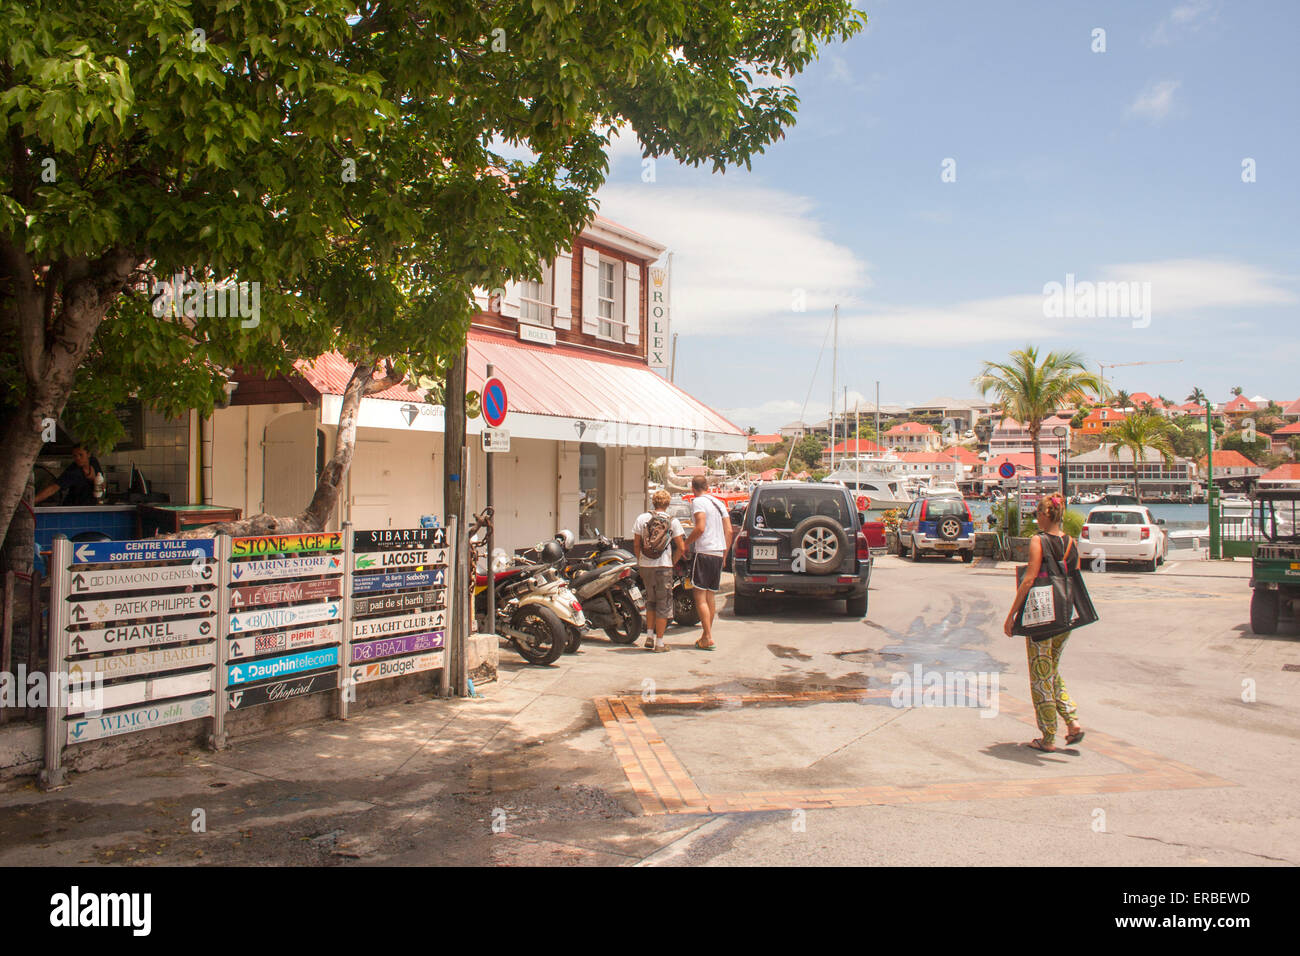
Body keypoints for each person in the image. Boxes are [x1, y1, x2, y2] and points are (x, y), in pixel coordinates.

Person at [1003, 493, 1084, 752]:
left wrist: (1012, 615)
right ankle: (1072, 720)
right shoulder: (1071, 542)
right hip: (1065, 614)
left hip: (1042, 614)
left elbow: (1029, 579)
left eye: (1038, 513)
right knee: (1051, 670)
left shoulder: (1038, 540)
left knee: (1040, 676)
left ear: (1044, 515)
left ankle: (1048, 736)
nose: (1036, 517)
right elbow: (1074, 576)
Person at [633, 489, 685, 653]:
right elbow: (681, 547)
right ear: (668, 504)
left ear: (653, 502)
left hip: (646, 566)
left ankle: (649, 636)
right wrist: (672, 561)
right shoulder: (672, 521)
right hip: (664, 566)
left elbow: (636, 544)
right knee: (664, 604)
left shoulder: (642, 519)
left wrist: (640, 562)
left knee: (651, 600)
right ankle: (660, 643)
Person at [684, 475, 732, 650]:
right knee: (710, 595)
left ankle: (709, 636)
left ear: (693, 488)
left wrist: (686, 543)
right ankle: (705, 636)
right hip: (718, 553)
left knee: (700, 597)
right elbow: (729, 530)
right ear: (708, 486)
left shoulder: (698, 502)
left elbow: (700, 527)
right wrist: (725, 554)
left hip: (704, 551)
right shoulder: (719, 503)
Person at [35, 444, 104, 506]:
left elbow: (102, 482)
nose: (78, 458)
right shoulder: (73, 471)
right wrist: (34, 501)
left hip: (91, 504)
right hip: (74, 507)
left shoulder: (94, 462)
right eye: (75, 456)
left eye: (81, 455)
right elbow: (54, 488)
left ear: (88, 454)